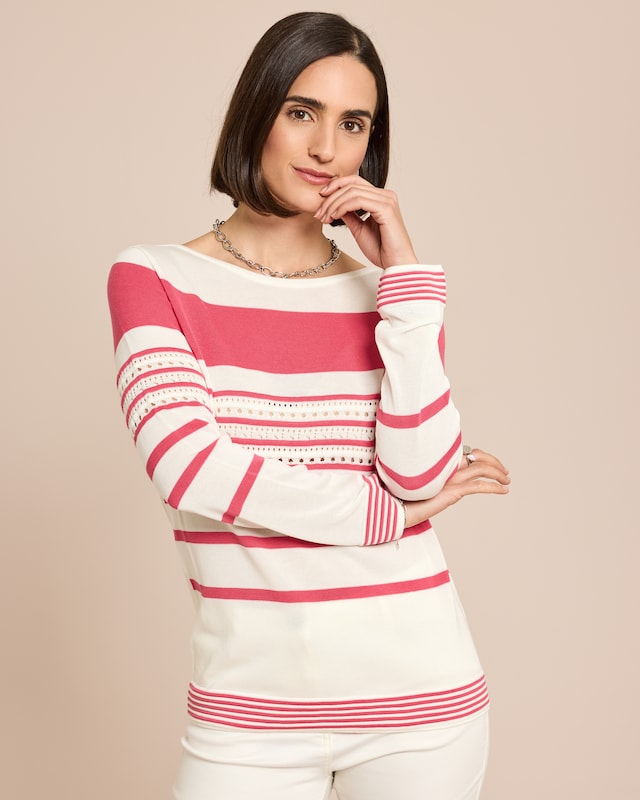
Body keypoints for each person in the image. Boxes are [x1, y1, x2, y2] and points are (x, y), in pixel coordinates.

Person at [107, 11, 509, 800]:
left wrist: (406, 277)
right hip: (248, 715)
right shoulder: (154, 278)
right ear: (257, 112)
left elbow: (420, 469)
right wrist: (388, 516)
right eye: (302, 112)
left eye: (352, 124)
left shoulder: (388, 299)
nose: (326, 148)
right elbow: (191, 469)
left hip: (421, 707)